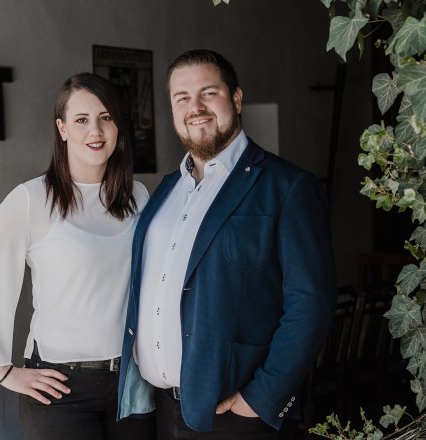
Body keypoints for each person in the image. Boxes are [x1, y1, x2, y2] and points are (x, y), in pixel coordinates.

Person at [116, 49, 337, 439]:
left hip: (237, 418)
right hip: (161, 412)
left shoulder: (287, 187)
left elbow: (311, 305)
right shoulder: (165, 191)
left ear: (236, 98)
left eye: (208, 93)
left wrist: (261, 399)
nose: (195, 107)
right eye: (181, 98)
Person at [0, 72, 154, 440]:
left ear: (117, 127)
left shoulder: (137, 196)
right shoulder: (34, 199)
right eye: (81, 120)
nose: (95, 130)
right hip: (60, 390)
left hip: (131, 383)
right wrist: (5, 372)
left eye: (105, 118)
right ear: (62, 129)